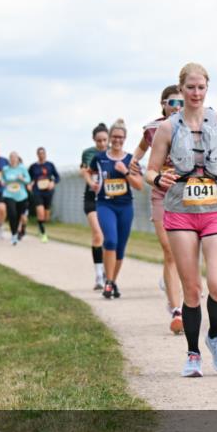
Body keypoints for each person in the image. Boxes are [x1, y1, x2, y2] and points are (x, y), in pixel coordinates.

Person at [144, 62, 217, 378]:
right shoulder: (168, 128)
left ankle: (215, 336)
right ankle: (193, 353)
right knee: (192, 289)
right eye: (190, 88)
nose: (196, 93)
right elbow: (150, 170)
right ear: (181, 90)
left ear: (207, 89)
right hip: (181, 210)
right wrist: (158, 181)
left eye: (201, 88)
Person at [133, 85, 185, 333]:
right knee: (169, 250)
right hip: (161, 194)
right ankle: (177, 311)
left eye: (181, 102)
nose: (176, 107)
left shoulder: (194, 127)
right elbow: (141, 150)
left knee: (184, 252)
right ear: (163, 104)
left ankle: (172, 282)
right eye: (172, 102)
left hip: (187, 195)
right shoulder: (152, 129)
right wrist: (134, 162)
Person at [89, 119, 143, 299]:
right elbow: (90, 172)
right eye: (114, 137)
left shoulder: (130, 160)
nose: (117, 140)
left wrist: (125, 172)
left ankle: (111, 281)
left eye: (121, 137)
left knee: (120, 248)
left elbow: (139, 185)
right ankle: (109, 283)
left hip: (125, 206)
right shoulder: (100, 158)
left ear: (125, 138)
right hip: (105, 204)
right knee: (110, 241)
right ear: (110, 137)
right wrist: (93, 184)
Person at [81, 124, 109, 289]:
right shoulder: (88, 153)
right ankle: (99, 276)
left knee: (108, 237)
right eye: (99, 141)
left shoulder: (113, 153)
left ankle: (107, 271)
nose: (102, 144)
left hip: (109, 199)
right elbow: (84, 171)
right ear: (94, 140)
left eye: (105, 140)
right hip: (92, 197)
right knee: (98, 235)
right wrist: (92, 183)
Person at [28, 146, 60, 242]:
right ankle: (43, 234)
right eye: (39, 153)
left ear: (45, 154)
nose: (41, 155)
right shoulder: (33, 167)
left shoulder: (50, 165)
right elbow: (28, 178)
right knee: (40, 212)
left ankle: (40, 225)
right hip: (37, 191)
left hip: (48, 192)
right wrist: (29, 184)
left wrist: (53, 182)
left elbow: (57, 177)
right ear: (37, 155)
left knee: (46, 216)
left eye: (43, 153)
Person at [1, 151, 31, 245]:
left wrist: (22, 179)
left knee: (18, 216)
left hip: (21, 196)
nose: (13, 159)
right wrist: (2, 182)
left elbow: (28, 180)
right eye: (11, 157)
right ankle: (14, 235)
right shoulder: (5, 169)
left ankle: (17, 232)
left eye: (15, 157)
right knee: (12, 214)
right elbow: (3, 179)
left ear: (18, 159)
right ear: (9, 159)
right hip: (9, 194)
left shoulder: (22, 168)